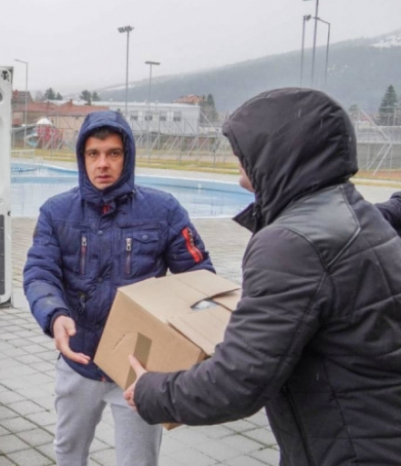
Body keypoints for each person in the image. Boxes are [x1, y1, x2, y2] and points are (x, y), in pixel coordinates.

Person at [124, 88, 401, 465]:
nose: (237, 155)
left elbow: (237, 382)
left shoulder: (290, 243)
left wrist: (150, 392)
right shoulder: (352, 212)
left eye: (244, 145)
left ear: (282, 149)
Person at [23, 110, 214, 466]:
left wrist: (186, 343)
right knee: (67, 451)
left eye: (113, 153)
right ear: (82, 158)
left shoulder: (163, 210)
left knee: (138, 460)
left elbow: (200, 278)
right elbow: (39, 272)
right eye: (93, 154)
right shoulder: (56, 212)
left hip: (138, 367)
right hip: (79, 359)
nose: (103, 164)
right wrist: (54, 315)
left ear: (127, 157)